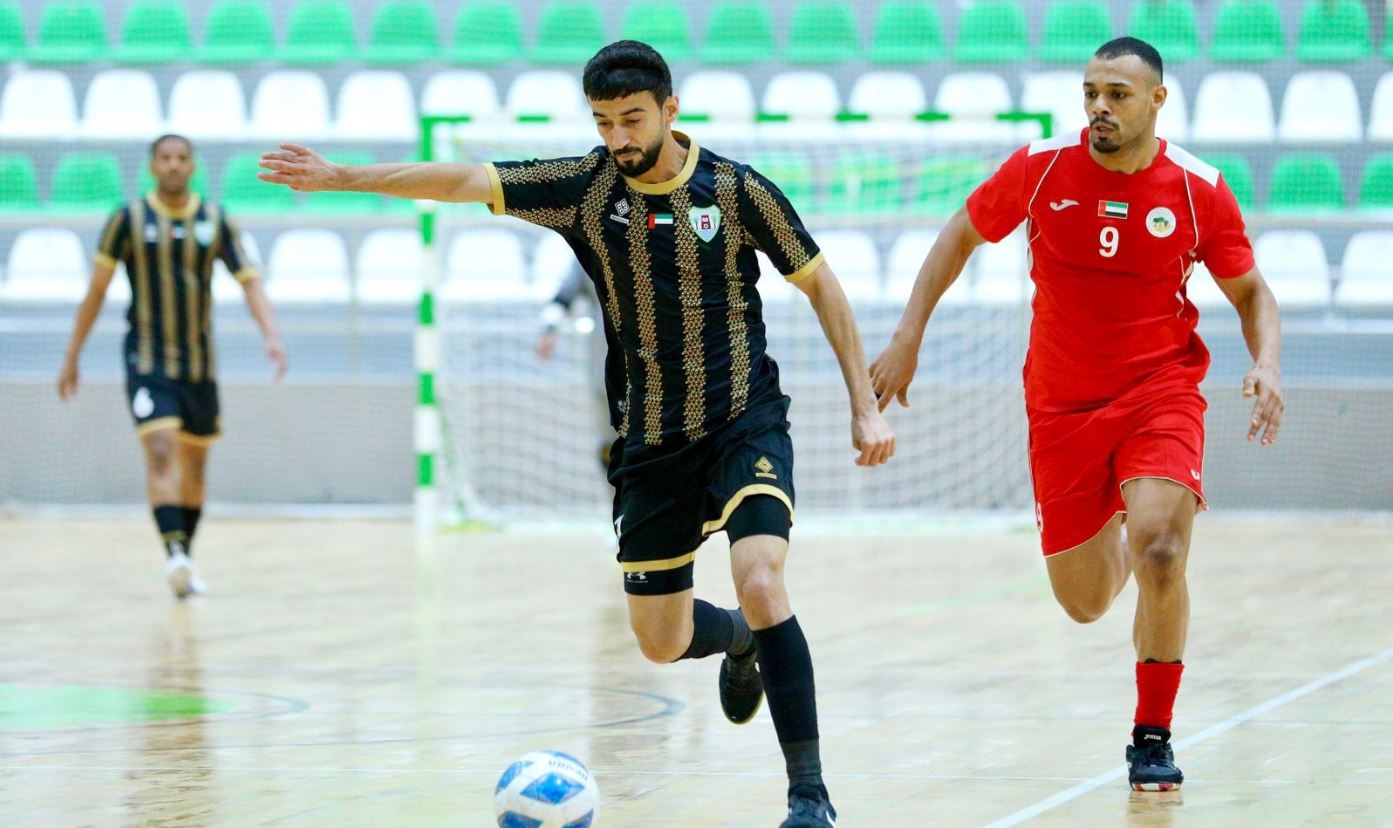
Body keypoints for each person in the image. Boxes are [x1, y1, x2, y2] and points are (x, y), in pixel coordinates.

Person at [260, 40, 894, 827]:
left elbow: (820, 284)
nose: (618, 137)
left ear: (669, 109)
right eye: (603, 122)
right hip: (650, 445)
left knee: (762, 579)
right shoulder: (585, 189)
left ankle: (809, 798)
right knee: (659, 642)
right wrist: (341, 178)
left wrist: (863, 405)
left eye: (632, 119)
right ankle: (738, 641)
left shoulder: (735, 191)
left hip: (743, 421)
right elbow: (462, 180)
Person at [871, 37, 1283, 792]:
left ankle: (1151, 735)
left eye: (1117, 95)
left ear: (1156, 100)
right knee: (1085, 603)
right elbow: (960, 233)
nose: (1099, 107)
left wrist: (1266, 363)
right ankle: (1122, 527)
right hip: (1060, 406)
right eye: (1090, 92)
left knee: (1163, 550)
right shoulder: (1039, 167)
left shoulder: (1198, 189)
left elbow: (1252, 291)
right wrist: (907, 336)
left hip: (1159, 391)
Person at [59, 134, 287, 598]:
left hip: (199, 365)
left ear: (194, 167)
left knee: (195, 466)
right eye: (165, 158)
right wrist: (73, 353)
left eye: (182, 158)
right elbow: (97, 289)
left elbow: (249, 281)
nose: (174, 165)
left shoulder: (216, 219)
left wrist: (271, 335)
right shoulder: (127, 220)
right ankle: (175, 554)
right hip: (147, 360)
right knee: (161, 448)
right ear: (151, 167)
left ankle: (183, 556)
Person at [535, 263, 615, 471]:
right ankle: (616, 492)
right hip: (604, 373)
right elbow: (563, 295)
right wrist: (549, 329)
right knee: (611, 448)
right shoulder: (591, 249)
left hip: (654, 375)